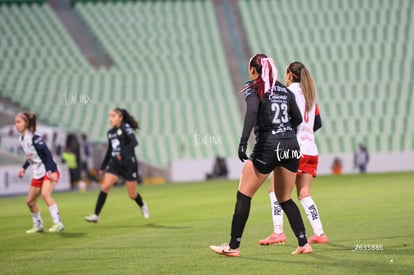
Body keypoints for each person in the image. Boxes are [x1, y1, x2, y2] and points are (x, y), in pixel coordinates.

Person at [209, 54, 312, 256]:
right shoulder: (284, 89)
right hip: (291, 145)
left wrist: (243, 142)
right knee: (285, 198)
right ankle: (303, 243)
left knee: (243, 195)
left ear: (254, 71)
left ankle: (233, 246)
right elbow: (298, 118)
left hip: (268, 145)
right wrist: (283, 132)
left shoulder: (254, 86)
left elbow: (252, 112)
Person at [258, 61, 328, 246]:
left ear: (289, 74)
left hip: (292, 149)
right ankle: (320, 233)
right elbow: (317, 123)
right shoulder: (310, 95)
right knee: (304, 193)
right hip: (311, 149)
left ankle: (278, 232)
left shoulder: (287, 94)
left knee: (275, 190)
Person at [85, 108, 149, 223]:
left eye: (113, 116)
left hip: (129, 164)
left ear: (121, 118)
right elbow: (110, 150)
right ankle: (96, 215)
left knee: (132, 194)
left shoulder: (126, 128)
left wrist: (122, 153)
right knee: (104, 187)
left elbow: (134, 142)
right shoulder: (110, 133)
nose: (111, 118)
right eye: (110, 116)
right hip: (115, 164)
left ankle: (142, 205)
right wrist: (102, 167)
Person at [15, 112, 64, 233]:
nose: (16, 125)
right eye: (15, 122)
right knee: (30, 202)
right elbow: (31, 156)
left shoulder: (34, 137)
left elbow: (47, 155)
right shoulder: (21, 138)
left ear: (26, 123)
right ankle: (38, 225)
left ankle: (58, 223)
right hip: (37, 173)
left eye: (18, 122)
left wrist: (52, 171)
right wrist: (24, 167)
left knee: (45, 194)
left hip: (48, 171)